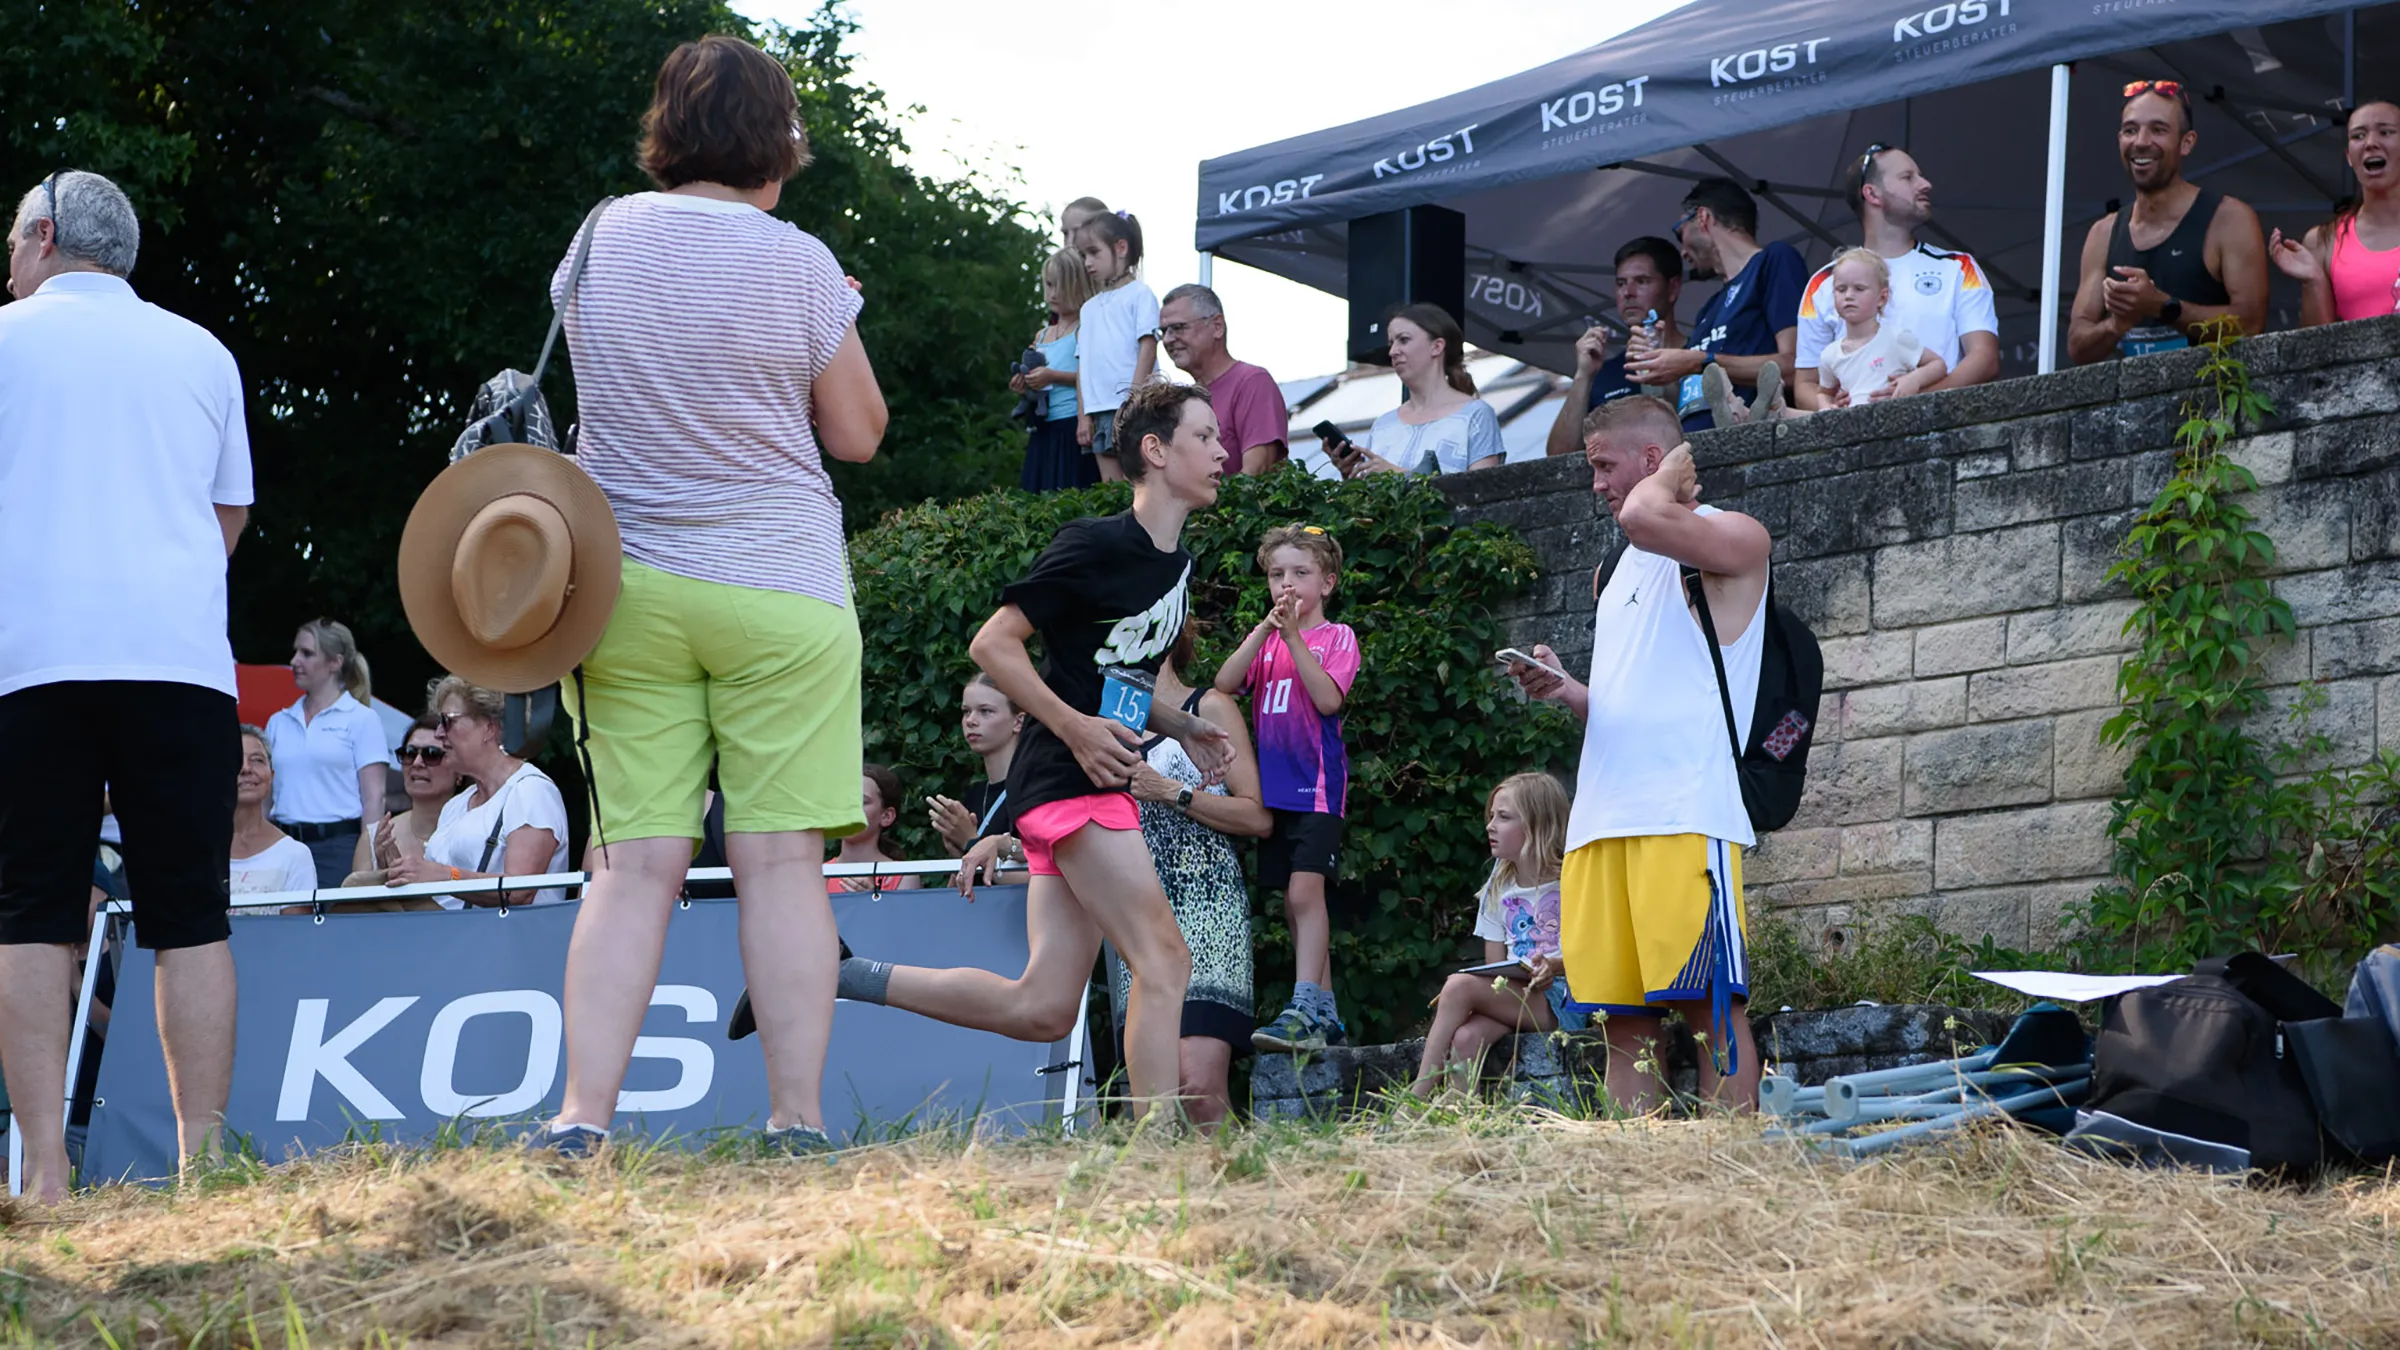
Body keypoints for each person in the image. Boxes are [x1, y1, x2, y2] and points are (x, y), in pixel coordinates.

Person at [528, 34, 889, 1157]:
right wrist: (836, 313)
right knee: (781, 862)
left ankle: (581, 1120)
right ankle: (796, 1123)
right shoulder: (799, 261)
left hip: (625, 591)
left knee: (631, 865)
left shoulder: (598, 238)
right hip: (780, 588)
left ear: (667, 131)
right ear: (776, 141)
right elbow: (859, 434)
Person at [842, 381, 1231, 1119]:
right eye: (1205, 437)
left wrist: (1180, 724)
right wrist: (1075, 727)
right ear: (1155, 450)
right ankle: (1156, 1155)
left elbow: (1109, 676)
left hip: (1077, 784)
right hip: (1068, 780)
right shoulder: (1095, 544)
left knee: (1044, 1008)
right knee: (1165, 959)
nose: (1223, 452)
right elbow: (992, 644)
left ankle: (847, 975)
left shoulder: (1175, 566)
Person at [0, 169, 247, 1202]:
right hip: (177, 661)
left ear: (48, 236)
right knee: (191, 918)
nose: (7, 261)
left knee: (27, 915)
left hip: (30, 660)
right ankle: (202, 1173)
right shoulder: (203, 351)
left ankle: (45, 1180)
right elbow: (226, 518)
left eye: (12, 240)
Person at [1507, 395, 1770, 1113]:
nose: (1596, 484)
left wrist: (1671, 480)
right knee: (1624, 1017)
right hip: (1602, 819)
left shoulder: (1736, 535)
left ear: (1654, 462)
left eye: (1603, 465)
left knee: (1709, 1003)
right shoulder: (1616, 570)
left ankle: (1733, 1158)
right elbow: (1629, 699)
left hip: (1682, 811)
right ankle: (1638, 1167)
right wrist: (1567, 690)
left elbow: (1643, 515)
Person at [1104, 637, 1269, 1128]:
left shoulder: (1208, 706)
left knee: (1198, 1087)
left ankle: (1228, 1194)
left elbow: (1257, 816)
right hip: (1137, 913)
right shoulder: (1109, 718)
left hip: (1208, 906)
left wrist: (1172, 792)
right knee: (1155, 1100)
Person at [1214, 525, 1360, 1051]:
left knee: (1305, 893)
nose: (1287, 585)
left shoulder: (1336, 637)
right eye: (1277, 575)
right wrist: (1263, 631)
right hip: (1276, 794)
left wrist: (1294, 638)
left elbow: (1327, 701)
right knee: (1295, 907)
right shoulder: (1268, 642)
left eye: (1300, 574)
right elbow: (1225, 684)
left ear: (1327, 582)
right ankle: (1323, 1013)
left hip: (1317, 790)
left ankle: (1303, 1007)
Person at [2069, 80, 2270, 364]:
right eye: (2130, 130)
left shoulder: (2228, 219)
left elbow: (2251, 324)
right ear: (2119, 140)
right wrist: (2116, 325)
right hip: (2136, 406)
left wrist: (2163, 306)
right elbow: (2078, 346)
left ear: (2186, 142)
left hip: (2212, 404)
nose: (2141, 141)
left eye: (2158, 130)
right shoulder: (2103, 233)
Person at [1411, 773, 1582, 1098]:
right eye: (1491, 816)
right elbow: (1493, 967)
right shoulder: (1498, 884)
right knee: (1465, 1038)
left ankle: (1414, 1100)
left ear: (1537, 824)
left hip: (1564, 998)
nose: (1490, 825)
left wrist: (1555, 966)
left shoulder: (1572, 879)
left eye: (1503, 817)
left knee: (1458, 986)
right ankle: (1459, 1119)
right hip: (1516, 995)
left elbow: (1597, 950)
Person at [1793, 146, 1998, 410]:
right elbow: (1805, 385)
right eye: (1908, 177)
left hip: (1944, 435)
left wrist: (1918, 402)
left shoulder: (1959, 267)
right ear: (1872, 193)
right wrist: (1831, 407)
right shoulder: (1822, 283)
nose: (1926, 184)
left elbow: (1985, 359)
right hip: (1857, 441)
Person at [1624, 178, 1806, 431]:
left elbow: (1796, 366)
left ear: (1703, 217)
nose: (1683, 253)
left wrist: (1698, 361)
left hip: (1750, 441)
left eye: (1680, 233)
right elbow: (1689, 400)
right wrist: (1657, 358)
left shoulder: (1773, 261)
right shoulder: (1709, 309)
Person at [384, 677, 569, 908]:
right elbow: (436, 892)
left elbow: (520, 890)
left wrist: (447, 876)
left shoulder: (530, 790)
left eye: (447, 721)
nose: (439, 733)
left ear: (489, 728)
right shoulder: (456, 805)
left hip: (510, 941)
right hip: (455, 940)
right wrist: (400, 872)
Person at [263, 618, 393, 887]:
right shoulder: (279, 721)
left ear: (335, 662)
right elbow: (264, 796)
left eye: (307, 653)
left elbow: (374, 799)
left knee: (333, 927)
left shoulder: (361, 719)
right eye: (296, 651)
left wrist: (367, 864)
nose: (295, 660)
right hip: (282, 846)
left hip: (339, 849)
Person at [1544, 237, 1685, 458]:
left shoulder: (1697, 355)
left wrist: (1658, 364)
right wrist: (1583, 376)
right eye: (1621, 283)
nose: (1627, 292)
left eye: (1642, 281)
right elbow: (1559, 456)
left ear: (1673, 288)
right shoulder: (1604, 371)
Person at [2271, 100, 2400, 326]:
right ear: (2349, 157)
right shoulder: (2323, 241)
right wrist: (2312, 282)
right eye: (2358, 136)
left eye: (2385, 132)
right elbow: (2316, 347)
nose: (2370, 143)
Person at [1336, 305, 1503, 477]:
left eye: (1404, 340)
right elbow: (1370, 501)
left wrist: (1396, 474)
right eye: (1391, 343)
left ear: (1437, 347)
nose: (1393, 351)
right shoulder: (1382, 425)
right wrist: (1351, 475)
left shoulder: (1476, 415)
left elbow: (1483, 493)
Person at [1158, 283, 1288, 475]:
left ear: (1217, 326)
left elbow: (1256, 473)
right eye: (1163, 331)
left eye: (1178, 328)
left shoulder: (1252, 382)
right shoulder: (1183, 400)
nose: (1168, 339)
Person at [1074, 211, 1158, 482]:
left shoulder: (1140, 295)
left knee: (1142, 484)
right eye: (1083, 255)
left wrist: (1132, 400)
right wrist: (1083, 416)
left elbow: (1148, 347)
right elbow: (1082, 366)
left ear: (1121, 248)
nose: (1087, 263)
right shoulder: (1087, 309)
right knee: (1111, 490)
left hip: (1133, 408)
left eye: (1093, 253)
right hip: (1099, 410)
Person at [1808, 250, 1947, 408]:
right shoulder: (1829, 355)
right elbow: (1823, 393)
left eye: (1859, 289)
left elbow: (1938, 365)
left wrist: (1913, 380)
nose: (1848, 296)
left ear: (1882, 298)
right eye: (1841, 289)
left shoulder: (1896, 337)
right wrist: (1827, 407)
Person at [1015, 248, 1096, 492]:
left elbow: (1091, 375)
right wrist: (1023, 384)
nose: (1053, 293)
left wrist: (1053, 376)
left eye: (1060, 285)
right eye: (1049, 285)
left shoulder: (1085, 328)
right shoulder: (1042, 335)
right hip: (1043, 427)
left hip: (1072, 424)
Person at [353, 716, 465, 876]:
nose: (417, 763)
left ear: (459, 770)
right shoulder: (375, 839)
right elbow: (358, 900)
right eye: (409, 753)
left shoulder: (476, 832)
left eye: (431, 754)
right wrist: (383, 876)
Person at [926, 673, 1021, 856]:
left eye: (985, 711)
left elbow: (1039, 874)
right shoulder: (973, 796)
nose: (970, 721)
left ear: (1018, 721)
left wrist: (970, 842)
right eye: (966, 712)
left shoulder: (1034, 790)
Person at [228, 726, 319, 901]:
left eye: (257, 760)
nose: (246, 768)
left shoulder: (294, 855)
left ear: (271, 775)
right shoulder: (198, 851)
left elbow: (296, 927)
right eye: (235, 758)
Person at [830, 764, 921, 892]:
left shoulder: (903, 876)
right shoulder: (816, 874)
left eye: (862, 801)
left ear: (886, 816)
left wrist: (873, 902)